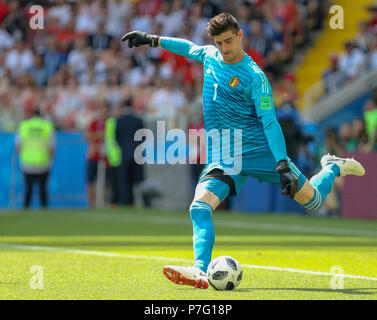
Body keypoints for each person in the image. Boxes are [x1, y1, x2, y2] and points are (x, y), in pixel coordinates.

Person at [121, 13, 366, 289]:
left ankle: (332, 166)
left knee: (315, 201)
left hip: (261, 153)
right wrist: (153, 40)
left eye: (228, 41)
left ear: (240, 35)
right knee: (199, 208)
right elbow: (188, 47)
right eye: (219, 42)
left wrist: (283, 164)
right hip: (225, 155)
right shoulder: (211, 56)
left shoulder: (254, 77)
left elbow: (270, 121)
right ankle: (200, 270)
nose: (224, 48)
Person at [15, 109, 55, 209]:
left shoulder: (24, 125)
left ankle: (25, 210)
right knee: (43, 189)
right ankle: (45, 211)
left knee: (28, 189)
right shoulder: (47, 126)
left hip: (27, 163)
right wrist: (50, 160)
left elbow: (18, 146)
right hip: (44, 163)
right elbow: (52, 147)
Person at [115, 98, 145, 206]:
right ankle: (145, 203)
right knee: (140, 180)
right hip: (137, 153)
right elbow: (143, 136)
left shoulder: (119, 121)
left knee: (124, 180)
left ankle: (125, 202)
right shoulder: (138, 120)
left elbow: (116, 138)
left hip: (124, 153)